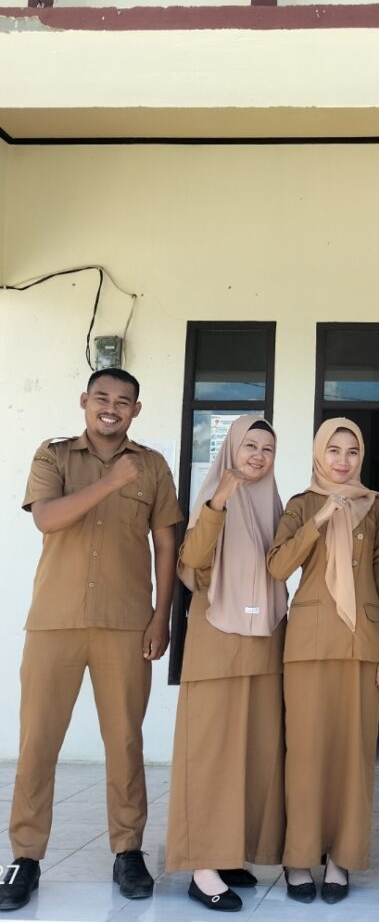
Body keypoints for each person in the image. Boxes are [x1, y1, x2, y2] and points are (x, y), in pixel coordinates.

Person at [1, 369, 183, 913]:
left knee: (125, 741)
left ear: (136, 410)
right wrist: (110, 481)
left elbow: (166, 545)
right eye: (102, 397)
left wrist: (161, 617)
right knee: (38, 743)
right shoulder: (54, 456)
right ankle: (25, 856)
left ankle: (128, 851)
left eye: (124, 401)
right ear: (84, 401)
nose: (112, 407)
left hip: (126, 623)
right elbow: (47, 519)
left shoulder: (153, 466)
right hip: (54, 622)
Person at [267, 418, 379, 905]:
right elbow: (278, 565)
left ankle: (341, 858)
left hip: (363, 642)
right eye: (334, 450)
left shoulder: (376, 505)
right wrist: (321, 518)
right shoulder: (302, 503)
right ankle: (299, 858)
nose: (343, 461)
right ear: (319, 454)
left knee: (353, 754)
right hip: (309, 642)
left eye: (352, 451)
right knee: (305, 753)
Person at [166, 415, 287, 912]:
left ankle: (231, 852)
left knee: (254, 755)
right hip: (216, 642)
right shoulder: (213, 498)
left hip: (264, 645)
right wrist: (220, 500)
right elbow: (193, 559)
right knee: (211, 755)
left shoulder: (274, 504)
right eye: (249, 445)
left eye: (267, 448)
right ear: (231, 449)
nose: (258, 455)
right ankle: (203, 867)